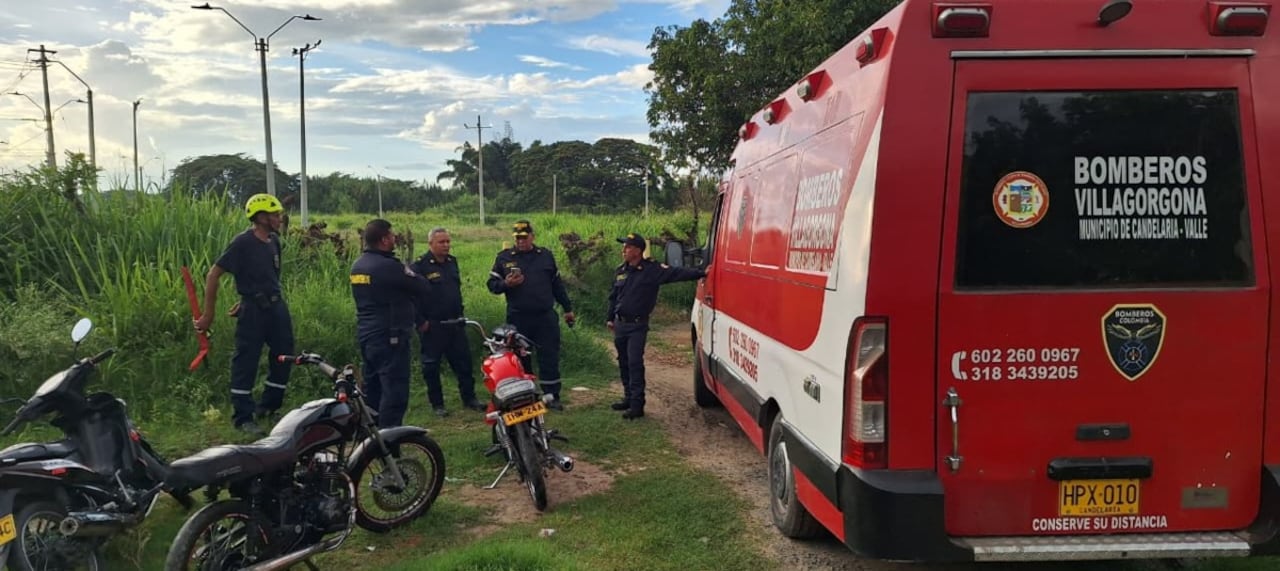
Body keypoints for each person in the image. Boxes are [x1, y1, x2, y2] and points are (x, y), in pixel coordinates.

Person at [194, 193, 295, 435]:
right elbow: (213, 275)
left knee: (284, 355)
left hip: (276, 307)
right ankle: (243, 416)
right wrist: (208, 314)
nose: (279, 219)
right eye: (274, 214)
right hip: (254, 312)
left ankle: (269, 407)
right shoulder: (242, 243)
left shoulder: (274, 241)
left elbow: (270, 277)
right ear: (260, 217)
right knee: (246, 360)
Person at [607, 233, 706, 419]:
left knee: (635, 362)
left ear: (637, 250)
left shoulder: (651, 270)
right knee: (624, 362)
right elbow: (614, 296)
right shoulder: (621, 270)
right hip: (620, 324)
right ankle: (628, 398)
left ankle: (637, 405)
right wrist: (610, 318)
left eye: (627, 247)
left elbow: (677, 273)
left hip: (637, 325)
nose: (623, 250)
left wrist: (702, 272)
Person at [486, 220, 575, 410]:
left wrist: (567, 309)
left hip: (545, 317)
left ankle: (552, 396)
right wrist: (506, 284)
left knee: (549, 356)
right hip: (518, 318)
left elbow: (557, 286)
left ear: (532, 237)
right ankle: (524, 397)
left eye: (524, 237)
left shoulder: (545, 256)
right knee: (520, 358)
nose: (521, 241)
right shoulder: (504, 258)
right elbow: (492, 286)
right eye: (517, 238)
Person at [351, 219, 431, 428]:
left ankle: (368, 436)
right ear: (384, 239)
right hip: (390, 338)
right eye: (392, 234)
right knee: (394, 393)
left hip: (367, 336)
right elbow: (422, 287)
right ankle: (389, 444)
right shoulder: (389, 266)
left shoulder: (358, 265)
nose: (395, 237)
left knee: (372, 390)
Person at [411, 227, 485, 417]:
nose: (446, 245)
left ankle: (469, 399)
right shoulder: (419, 266)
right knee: (431, 368)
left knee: (464, 365)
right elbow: (411, 298)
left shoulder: (452, 262)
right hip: (433, 326)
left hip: (455, 324)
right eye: (441, 242)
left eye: (448, 242)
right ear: (431, 244)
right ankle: (438, 405)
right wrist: (420, 322)